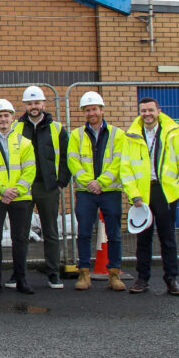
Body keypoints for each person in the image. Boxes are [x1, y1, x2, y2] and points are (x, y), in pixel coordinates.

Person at [123, 97, 179, 296]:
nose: (147, 114)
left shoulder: (175, 135)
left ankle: (171, 279)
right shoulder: (131, 136)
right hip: (143, 195)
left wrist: (177, 191)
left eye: (150, 110)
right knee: (143, 239)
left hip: (166, 194)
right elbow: (126, 168)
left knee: (168, 238)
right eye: (143, 111)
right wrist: (134, 195)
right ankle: (141, 279)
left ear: (158, 111)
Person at [67, 91, 128, 292]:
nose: (91, 113)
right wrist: (90, 182)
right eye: (87, 110)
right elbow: (73, 162)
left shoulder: (117, 134)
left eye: (94, 109)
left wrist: (101, 182)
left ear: (101, 110)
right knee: (83, 232)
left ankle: (114, 274)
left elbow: (119, 161)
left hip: (110, 190)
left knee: (114, 234)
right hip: (86, 191)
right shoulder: (76, 135)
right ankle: (84, 273)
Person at [0, 99, 37, 295]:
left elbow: (30, 170)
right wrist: (3, 191)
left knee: (19, 239)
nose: (3, 119)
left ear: (12, 117)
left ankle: (21, 279)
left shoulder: (25, 142)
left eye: (6, 115)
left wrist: (16, 190)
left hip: (19, 198)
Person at [13, 85, 70, 289]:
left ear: (44, 104)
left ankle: (53, 273)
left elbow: (66, 156)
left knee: (51, 231)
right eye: (29, 103)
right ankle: (18, 274)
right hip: (24, 187)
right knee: (20, 232)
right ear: (25, 106)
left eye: (37, 103)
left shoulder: (57, 128)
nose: (33, 106)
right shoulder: (16, 128)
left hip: (48, 186)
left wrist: (61, 181)